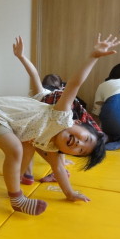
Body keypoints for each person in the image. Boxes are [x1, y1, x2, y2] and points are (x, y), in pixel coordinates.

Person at [0, 33, 120, 216]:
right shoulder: (60, 116)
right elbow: (74, 84)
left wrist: (70, 193)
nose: (79, 144)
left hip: (4, 121)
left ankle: (17, 180)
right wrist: (93, 57)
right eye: (85, 139)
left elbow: (59, 168)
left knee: (26, 145)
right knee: (18, 148)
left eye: (81, 151)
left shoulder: (53, 146)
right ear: (77, 123)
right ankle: (17, 199)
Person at [13, 35, 102, 184]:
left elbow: (34, 74)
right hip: (69, 116)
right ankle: (44, 170)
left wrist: (21, 57)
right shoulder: (52, 98)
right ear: (59, 86)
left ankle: (28, 173)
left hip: (65, 116)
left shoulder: (41, 95)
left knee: (36, 141)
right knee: (47, 142)